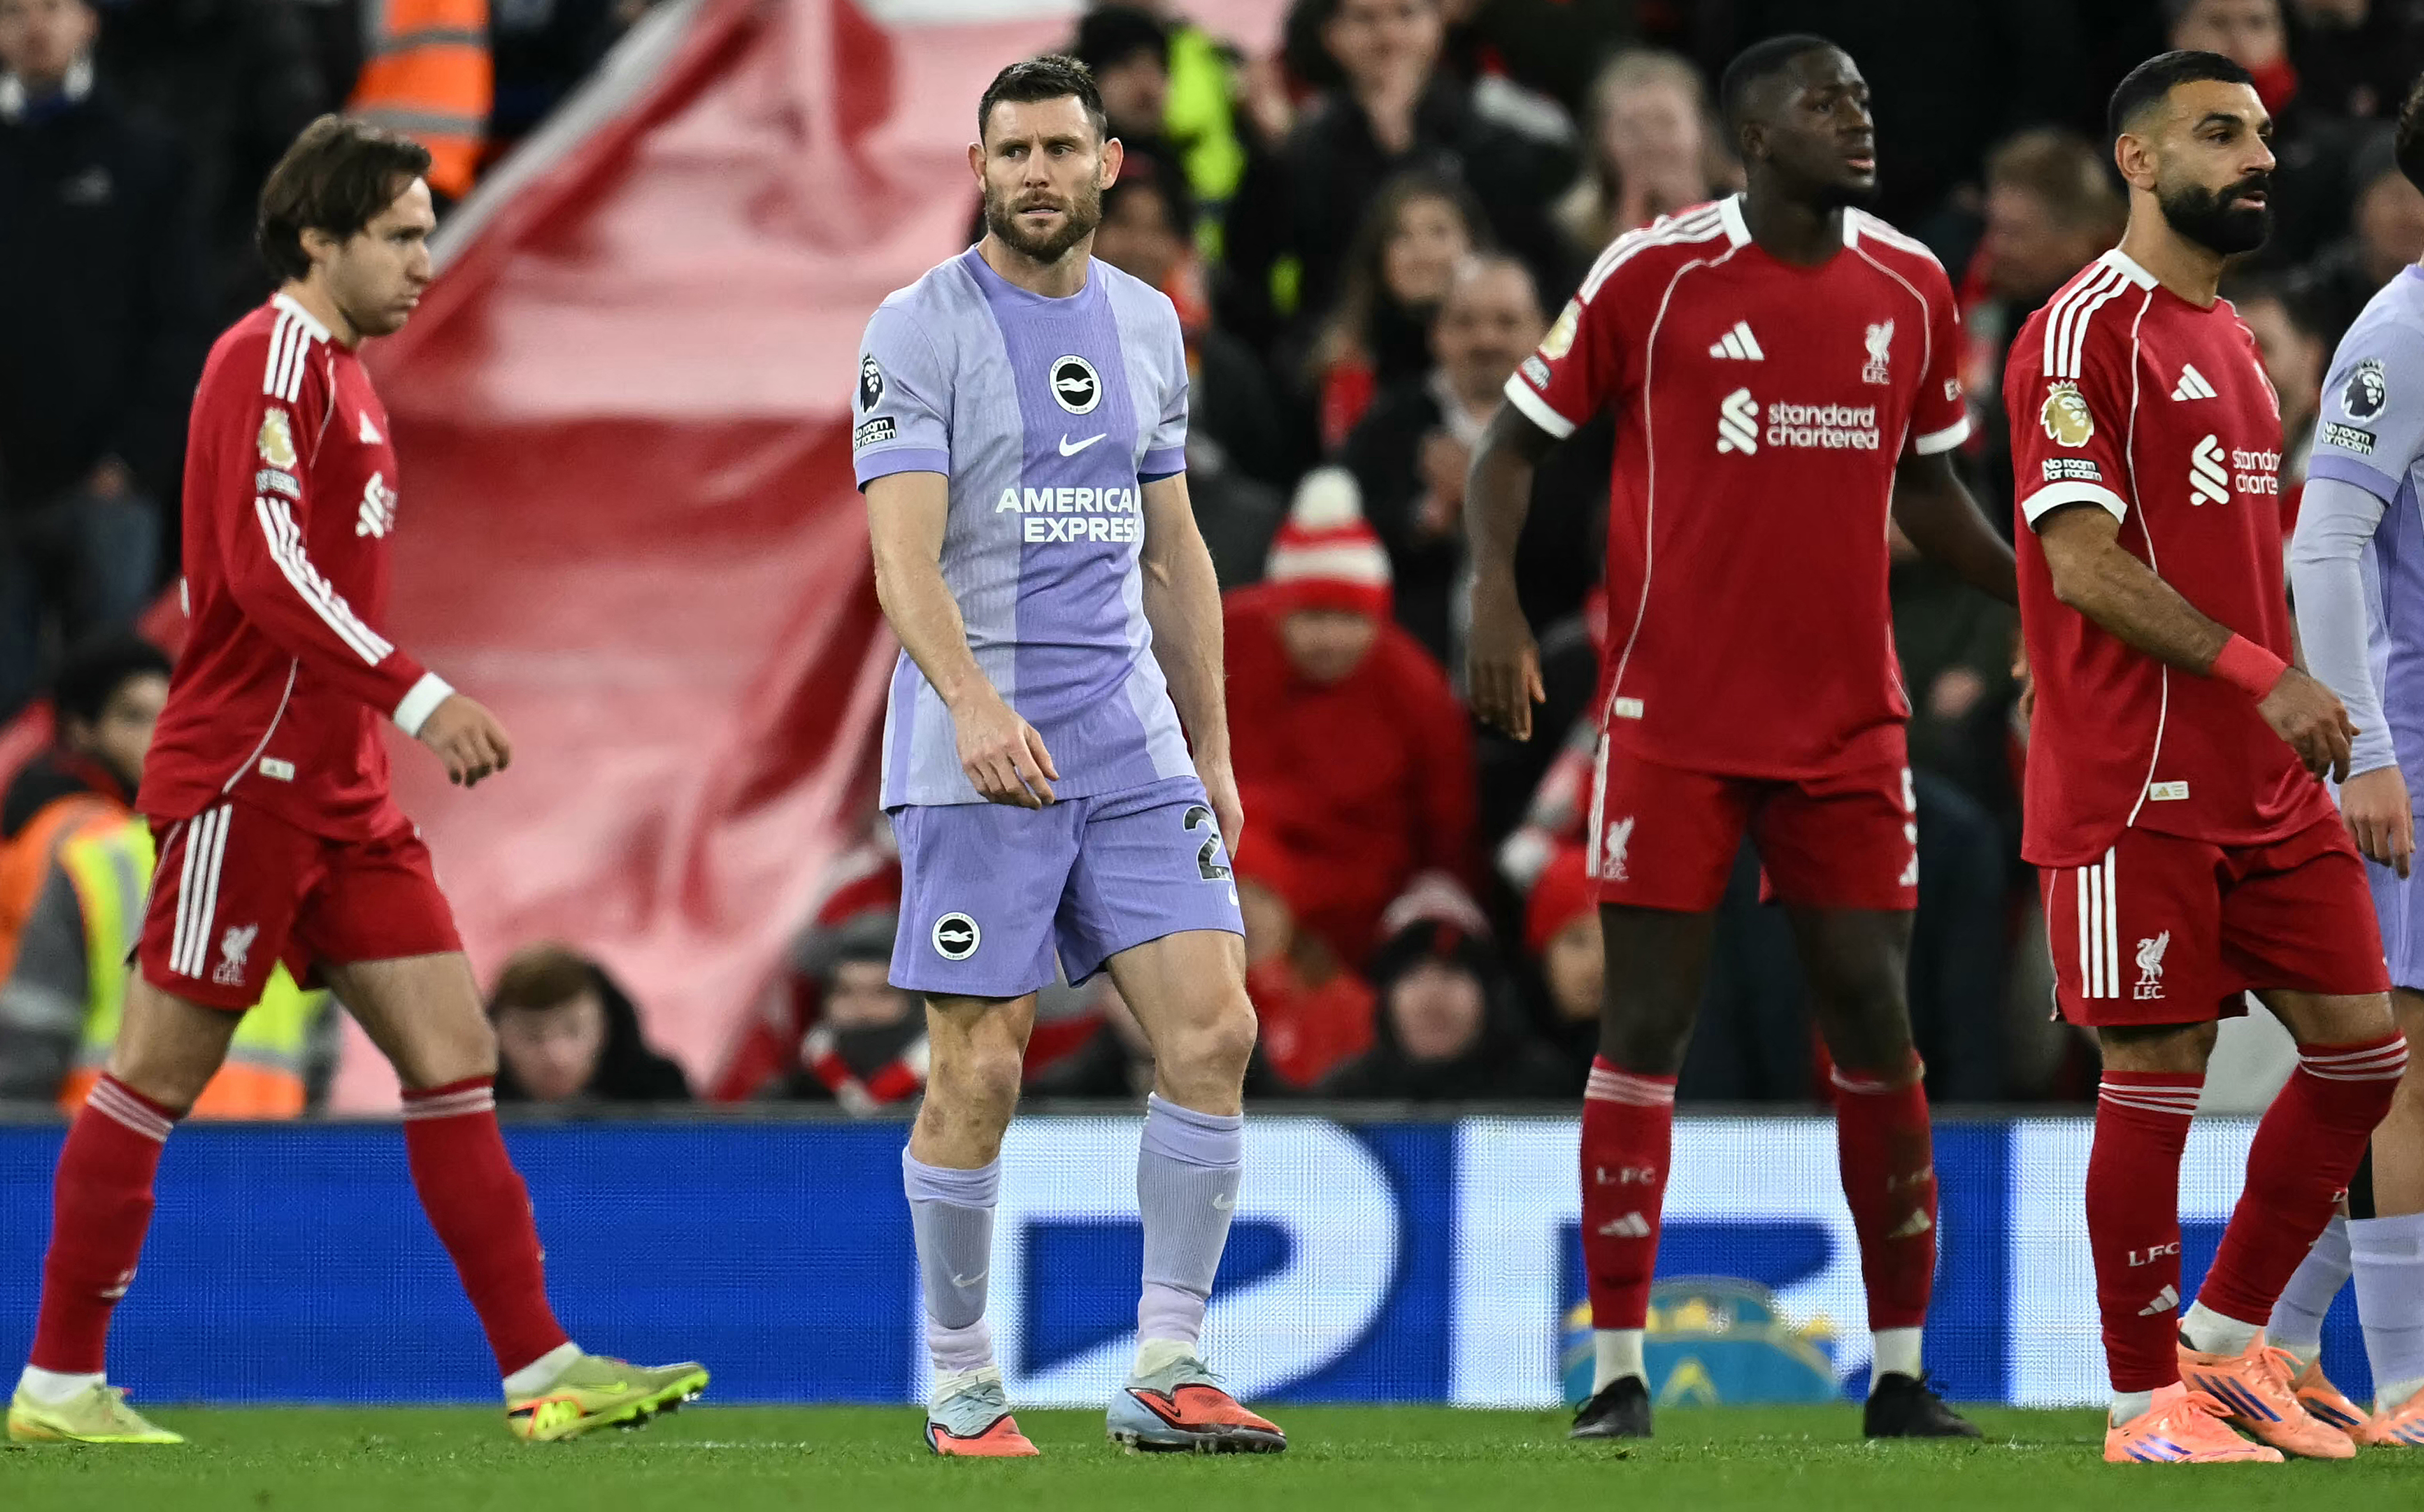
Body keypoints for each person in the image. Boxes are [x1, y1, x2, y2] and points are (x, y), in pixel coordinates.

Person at [6, 116, 707, 1449]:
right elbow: (262, 571)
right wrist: (420, 693)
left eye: (428, 234)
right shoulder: (266, 359)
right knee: (152, 1074)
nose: (424, 260)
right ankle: (56, 1380)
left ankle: (542, 1366)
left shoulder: (347, 377)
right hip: (249, 776)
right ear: (318, 240)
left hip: (343, 792)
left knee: (456, 1054)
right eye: (398, 236)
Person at [1465, 34, 2017, 1442]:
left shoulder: (1910, 284)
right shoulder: (1651, 276)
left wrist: (2040, 595)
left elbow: (1929, 490)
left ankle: (1900, 1372)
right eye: (1825, 102)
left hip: (1846, 721)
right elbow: (1509, 446)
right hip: (1673, 717)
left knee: (1876, 1024)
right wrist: (1496, 606)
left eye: (1863, 96)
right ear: (1754, 136)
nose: (1857, 117)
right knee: (1645, 1024)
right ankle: (1615, 1372)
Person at [852, 56, 1282, 1456]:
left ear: (1108, 163)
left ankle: (1168, 1361)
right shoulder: (917, 326)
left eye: (1058, 148)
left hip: (1128, 736)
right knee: (981, 1067)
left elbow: (1176, 550)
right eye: (1012, 151)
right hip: (978, 744)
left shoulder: (1151, 323)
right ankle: (963, 1382)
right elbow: (901, 558)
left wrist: (1212, 745)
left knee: (1215, 1030)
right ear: (979, 170)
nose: (1035, 172)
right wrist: (974, 703)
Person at [2009, 50, 2406, 1464]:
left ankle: (2228, 1341)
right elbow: (2078, 560)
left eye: (2262, 135)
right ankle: (2140, 1406)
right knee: (2155, 1067)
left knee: (2362, 1054)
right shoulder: (2079, 332)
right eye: (2220, 134)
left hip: (2263, 776)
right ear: (2136, 159)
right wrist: (2264, 674)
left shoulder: (2231, 335)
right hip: (2137, 778)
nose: (2258, 159)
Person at [2278, 72, 2424, 1447]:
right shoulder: (2402, 331)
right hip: (2413, 746)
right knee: (2398, 1067)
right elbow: (2321, 544)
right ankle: (2406, 1390)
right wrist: (2367, 752)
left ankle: (2257, 1336)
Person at [0, 0, 201, 719]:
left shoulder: (148, 156)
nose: (35, 28)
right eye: (13, 12)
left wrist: (133, 460)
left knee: (117, 707)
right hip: (7, 491)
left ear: (89, 21)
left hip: (109, 489)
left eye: (53, 7)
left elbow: (182, 318)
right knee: (8, 711)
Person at [1226, 468, 1478, 969]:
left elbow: (1450, 823)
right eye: (1312, 617)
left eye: (1350, 619)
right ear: (1277, 611)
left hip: (1363, 891)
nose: (1330, 639)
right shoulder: (1224, 644)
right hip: (1233, 857)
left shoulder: (1415, 687)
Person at [1342, 253, 1599, 668]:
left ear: (1544, 330)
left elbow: (1593, 552)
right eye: (1465, 323)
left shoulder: (1584, 429)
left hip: (1546, 673)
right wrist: (1422, 521)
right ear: (1437, 334)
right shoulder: (1389, 425)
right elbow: (1344, 532)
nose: (1486, 340)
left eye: (1506, 323)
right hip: (1411, 670)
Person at [0, 813, 335, 1114]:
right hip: (252, 1159)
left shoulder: (101, 867)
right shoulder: (308, 879)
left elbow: (23, 1073)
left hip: (122, 1154)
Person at [0, 635, 168, 981]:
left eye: (169, 715)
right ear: (80, 730)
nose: (160, 735)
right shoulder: (87, 829)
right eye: (134, 718)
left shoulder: (49, 807)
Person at [1307, 170, 1491, 454]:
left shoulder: (1511, 354)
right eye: (1402, 236)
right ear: (1380, 258)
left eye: (1439, 232)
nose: (1422, 252)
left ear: (1474, 246)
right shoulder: (1347, 366)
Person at [1314, 912, 1568, 1100]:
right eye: (1413, 976)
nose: (1432, 998)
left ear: (1490, 995)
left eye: (1451, 972)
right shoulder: (1345, 1100)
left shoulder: (1547, 1091)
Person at [1555, 49, 1733, 265]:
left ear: (1701, 129)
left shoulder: (1748, 210)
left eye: (1665, 123)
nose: (1652, 143)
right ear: (1603, 140)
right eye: (1633, 128)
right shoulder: (1571, 234)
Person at [489, 944, 690, 1105]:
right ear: (496, 1038)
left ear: (606, 1028)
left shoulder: (663, 1095)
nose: (557, 1056)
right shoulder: (473, 1100)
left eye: (574, 1031)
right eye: (532, 1036)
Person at [774, 915, 930, 1113]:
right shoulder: (793, 1094)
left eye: (883, 993)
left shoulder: (949, 1089)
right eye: (845, 992)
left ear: (915, 1003)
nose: (862, 1007)